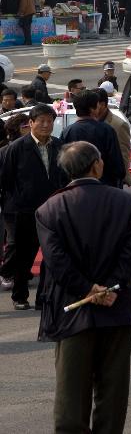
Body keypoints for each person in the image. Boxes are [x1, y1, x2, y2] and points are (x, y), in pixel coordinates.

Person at [35, 141, 131, 434]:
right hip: (115, 304)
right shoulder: (124, 202)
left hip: (72, 308)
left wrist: (86, 289)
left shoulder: (49, 209)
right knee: (113, 389)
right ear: (96, 165)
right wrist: (108, 288)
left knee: (71, 392)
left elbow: (56, 262)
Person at [0, 104, 65, 309]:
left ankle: (43, 296)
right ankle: (20, 296)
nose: (46, 125)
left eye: (50, 121)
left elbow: (64, 175)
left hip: (53, 209)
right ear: (31, 123)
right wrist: (19, 201)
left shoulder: (59, 145)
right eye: (41, 121)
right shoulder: (17, 148)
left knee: (52, 254)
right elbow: (7, 180)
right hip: (25, 211)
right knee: (24, 256)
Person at [63, 89, 125, 189]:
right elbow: (118, 167)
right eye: (97, 105)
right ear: (92, 109)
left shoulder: (67, 132)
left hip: (77, 191)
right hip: (105, 189)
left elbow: (63, 168)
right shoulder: (106, 130)